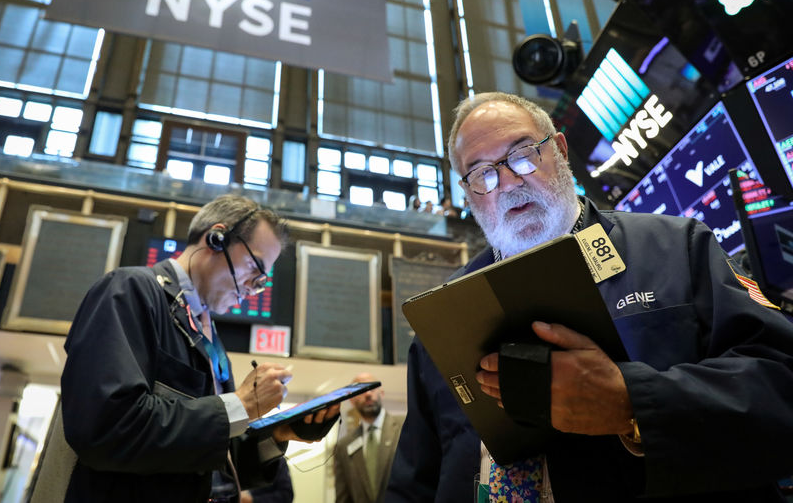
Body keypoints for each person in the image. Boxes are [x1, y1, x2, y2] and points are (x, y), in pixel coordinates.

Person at [386, 92, 793, 502]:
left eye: (523, 154)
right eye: (482, 174)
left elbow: (781, 386)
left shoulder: (677, 247)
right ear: (469, 192)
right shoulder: (444, 318)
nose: (507, 183)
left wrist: (632, 403)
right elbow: (413, 485)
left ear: (560, 150)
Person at [58, 194, 339, 502]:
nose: (253, 288)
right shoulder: (130, 290)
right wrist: (239, 405)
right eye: (254, 268)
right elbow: (106, 428)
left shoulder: (210, 337)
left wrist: (277, 434)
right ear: (216, 238)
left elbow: (211, 459)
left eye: (261, 281)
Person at [334, 373, 404, 503]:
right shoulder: (344, 446)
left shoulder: (405, 428)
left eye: (372, 388)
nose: (368, 394)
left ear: (381, 393)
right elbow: (343, 498)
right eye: (361, 391)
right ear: (352, 400)